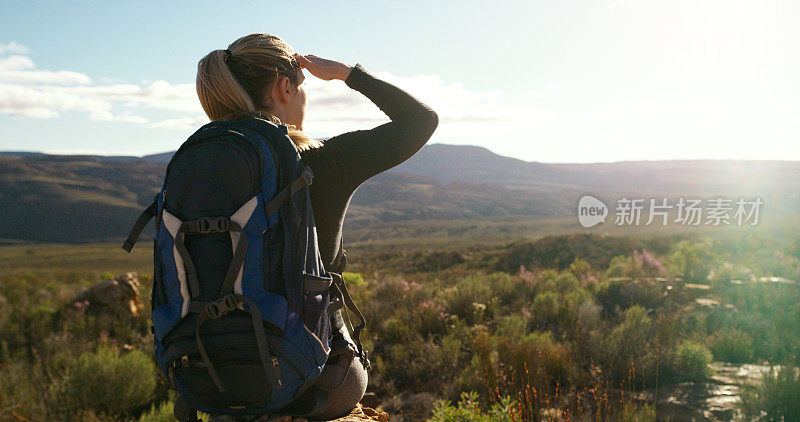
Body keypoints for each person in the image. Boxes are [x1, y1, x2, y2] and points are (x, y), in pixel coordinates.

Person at [195, 33, 439, 420]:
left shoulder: (199, 167)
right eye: (302, 86)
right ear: (285, 87)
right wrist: (348, 74)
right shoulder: (323, 162)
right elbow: (422, 120)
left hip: (211, 375)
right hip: (312, 383)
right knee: (343, 375)